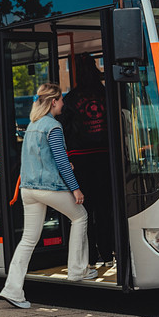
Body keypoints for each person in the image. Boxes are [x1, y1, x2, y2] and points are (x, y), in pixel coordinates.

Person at [0, 83, 97, 309]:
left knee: (28, 240)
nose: (63, 103)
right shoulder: (53, 126)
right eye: (61, 100)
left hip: (28, 190)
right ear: (53, 102)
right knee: (80, 216)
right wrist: (75, 188)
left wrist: (62, 165)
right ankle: (77, 270)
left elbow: (42, 159)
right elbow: (61, 160)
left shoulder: (32, 126)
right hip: (48, 188)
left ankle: (13, 289)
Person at [62, 56, 114, 267]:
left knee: (85, 210)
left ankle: (91, 257)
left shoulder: (71, 99)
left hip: (81, 161)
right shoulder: (106, 93)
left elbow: (65, 131)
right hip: (105, 157)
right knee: (105, 209)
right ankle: (108, 253)